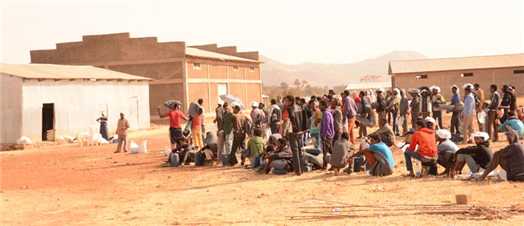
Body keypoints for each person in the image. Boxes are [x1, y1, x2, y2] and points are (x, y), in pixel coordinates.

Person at [284, 95, 309, 175]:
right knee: (298, 150)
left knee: (295, 151)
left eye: (286, 101)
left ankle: (297, 171)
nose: (285, 103)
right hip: (300, 131)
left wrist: (293, 124)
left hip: (294, 131)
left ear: (290, 101)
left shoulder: (291, 108)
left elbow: (292, 117)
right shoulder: (300, 107)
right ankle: (300, 170)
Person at [320, 100, 335, 170]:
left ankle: (326, 166)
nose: (319, 107)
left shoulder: (326, 114)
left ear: (323, 106)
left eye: (320, 105)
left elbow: (326, 125)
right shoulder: (327, 113)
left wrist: (324, 135)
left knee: (326, 151)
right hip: (329, 134)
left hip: (327, 135)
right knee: (329, 150)